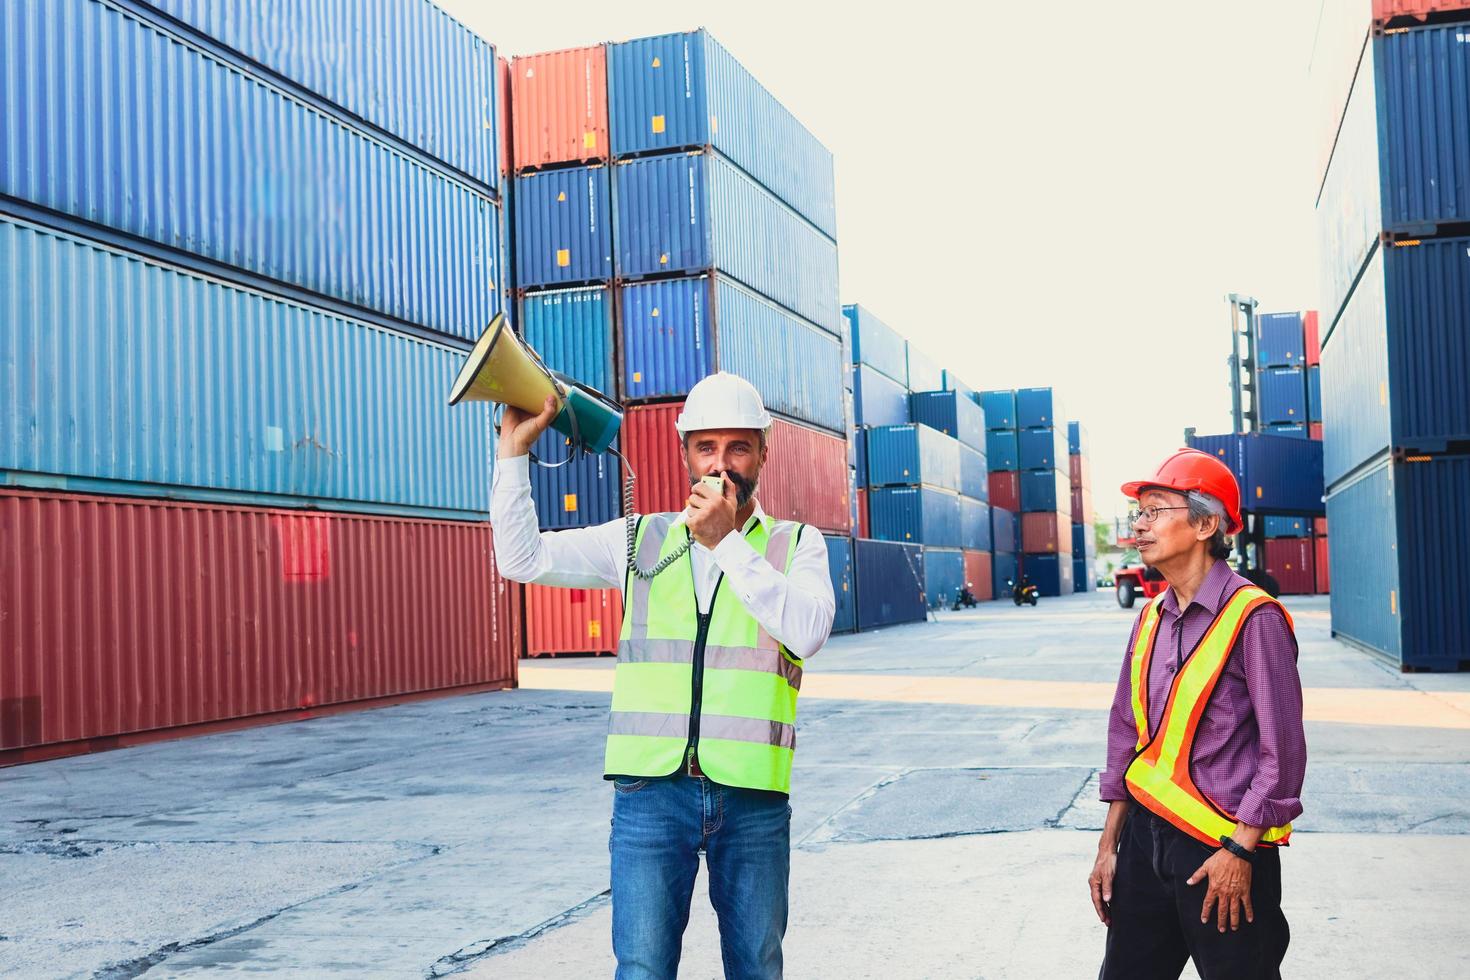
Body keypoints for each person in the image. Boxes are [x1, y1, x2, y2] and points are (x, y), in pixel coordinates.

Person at [491, 372, 836, 980]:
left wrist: (728, 542)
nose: (722, 464)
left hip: (752, 798)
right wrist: (513, 456)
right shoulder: (641, 539)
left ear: (763, 451)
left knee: (757, 967)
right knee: (643, 968)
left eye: (738, 447)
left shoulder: (796, 544)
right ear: (684, 454)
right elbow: (522, 559)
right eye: (706, 447)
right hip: (650, 793)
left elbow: (807, 631)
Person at [1089, 448, 1308, 980]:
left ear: (1206, 523)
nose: (1139, 525)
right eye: (1138, 513)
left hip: (1224, 851)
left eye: (1155, 510)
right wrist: (1108, 844)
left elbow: (1285, 752)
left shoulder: (1255, 618)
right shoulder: (1150, 619)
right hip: (1146, 840)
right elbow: (1127, 734)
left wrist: (1240, 851)